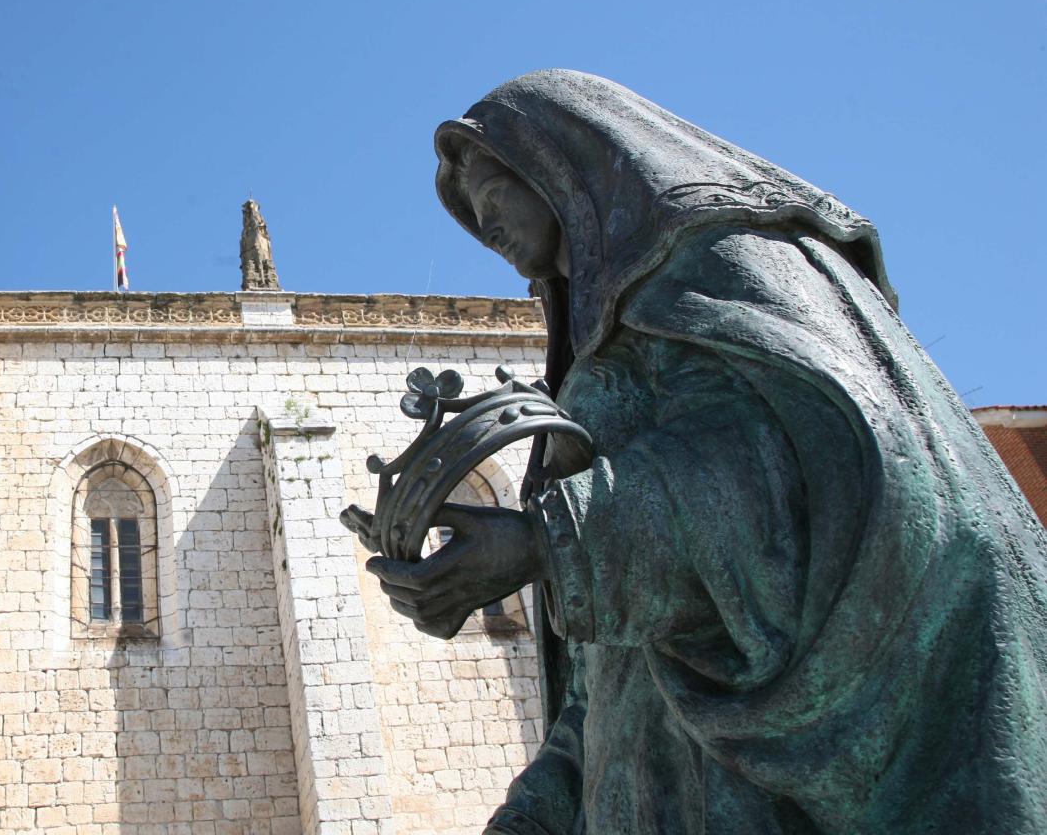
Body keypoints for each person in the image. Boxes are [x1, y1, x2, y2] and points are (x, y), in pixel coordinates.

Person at [362, 70, 1047, 834]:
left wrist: (542, 541)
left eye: (491, 198)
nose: (487, 228)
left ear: (557, 167)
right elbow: (604, 676)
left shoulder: (717, 263)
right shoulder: (593, 347)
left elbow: (818, 453)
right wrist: (540, 809)